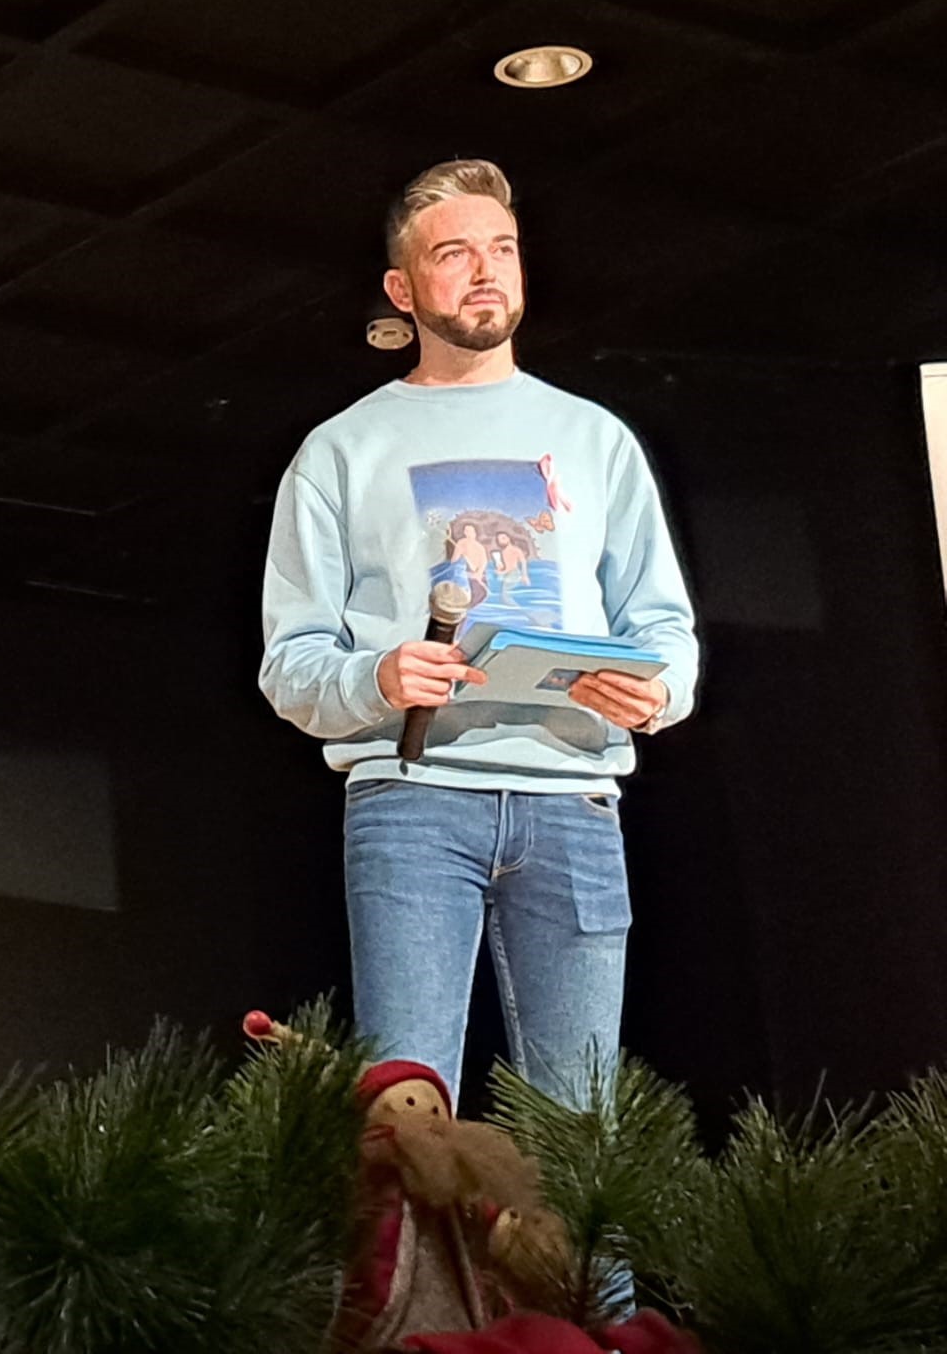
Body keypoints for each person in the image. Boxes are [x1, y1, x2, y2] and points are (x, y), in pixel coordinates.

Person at [258, 159, 699, 1109]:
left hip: (575, 802)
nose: (485, 270)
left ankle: (581, 1273)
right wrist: (379, 675)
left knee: (582, 1129)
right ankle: (413, 1270)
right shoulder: (341, 449)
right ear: (402, 289)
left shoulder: (595, 437)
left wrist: (657, 691)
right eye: (453, 253)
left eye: (501, 249)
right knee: (410, 1113)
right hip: (412, 804)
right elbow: (289, 663)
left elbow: (664, 625)